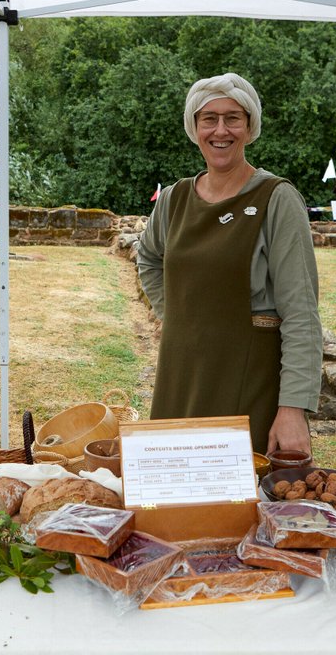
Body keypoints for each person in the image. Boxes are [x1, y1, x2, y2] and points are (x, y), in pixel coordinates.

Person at [137, 73, 323, 456]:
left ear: (249, 126)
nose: (221, 130)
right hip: (181, 373)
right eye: (209, 118)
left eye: (233, 118)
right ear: (194, 126)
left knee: (237, 502)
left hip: (247, 378)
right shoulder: (175, 199)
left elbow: (301, 312)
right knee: (173, 495)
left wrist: (293, 409)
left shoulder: (276, 198)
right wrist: (174, 315)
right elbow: (149, 257)